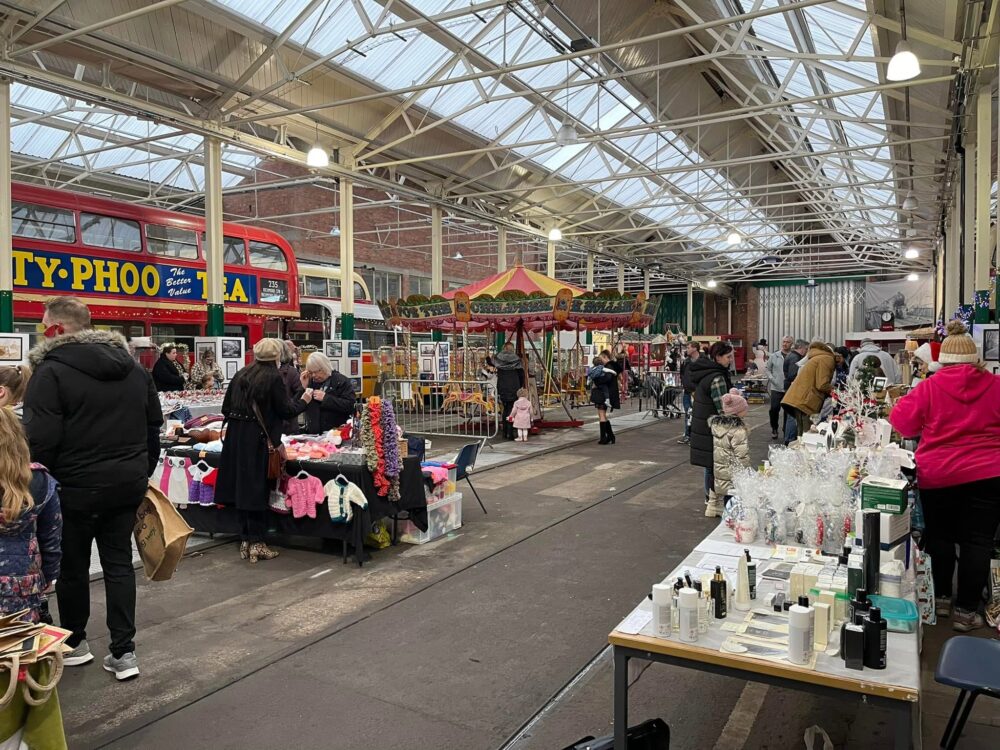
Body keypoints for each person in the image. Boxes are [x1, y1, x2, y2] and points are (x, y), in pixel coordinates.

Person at [23, 296, 162, 680]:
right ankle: (124, 652)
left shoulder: (49, 374)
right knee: (119, 564)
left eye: (43, 326)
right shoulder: (135, 370)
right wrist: (141, 472)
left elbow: (41, 441)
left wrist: (43, 486)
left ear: (56, 329)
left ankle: (75, 643)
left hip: (72, 490)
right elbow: (154, 427)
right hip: (126, 485)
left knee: (73, 567)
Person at [889, 321, 1000, 632]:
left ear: (944, 359)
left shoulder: (929, 387)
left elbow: (903, 424)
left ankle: (940, 599)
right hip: (989, 474)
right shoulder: (996, 385)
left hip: (940, 475)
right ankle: (966, 612)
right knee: (978, 541)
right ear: (975, 358)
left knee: (940, 537)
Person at [216, 339, 313, 563]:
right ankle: (257, 543)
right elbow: (286, 411)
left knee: (242, 489)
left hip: (236, 440)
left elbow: (225, 408)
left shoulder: (242, 374)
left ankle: (245, 540)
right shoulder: (273, 378)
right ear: (277, 356)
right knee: (257, 491)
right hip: (257, 441)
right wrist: (304, 397)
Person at [689, 341, 734, 517]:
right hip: (713, 427)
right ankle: (715, 502)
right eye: (728, 356)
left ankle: (710, 500)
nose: (730, 360)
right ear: (718, 357)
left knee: (710, 465)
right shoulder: (717, 377)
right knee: (717, 466)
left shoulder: (705, 373)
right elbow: (723, 408)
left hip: (703, 424)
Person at [781, 340, 835, 441]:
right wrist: (837, 392)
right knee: (807, 434)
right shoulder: (827, 359)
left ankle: (797, 447)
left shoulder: (817, 357)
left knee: (801, 434)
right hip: (807, 401)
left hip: (799, 399)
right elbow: (822, 385)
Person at [710, 389, 750, 504]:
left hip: (721, 472)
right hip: (734, 474)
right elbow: (742, 456)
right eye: (744, 409)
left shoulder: (719, 427)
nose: (746, 411)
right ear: (737, 411)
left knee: (728, 500)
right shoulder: (738, 431)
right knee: (735, 502)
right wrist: (746, 473)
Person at [301, 352, 356, 433]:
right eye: (310, 372)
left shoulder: (341, 381)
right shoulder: (310, 382)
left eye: (316, 372)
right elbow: (299, 407)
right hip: (314, 434)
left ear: (324, 367)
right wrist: (304, 388)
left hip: (336, 433)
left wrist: (325, 398)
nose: (313, 375)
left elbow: (350, 406)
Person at [494, 343, 525, 440]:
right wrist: (520, 385)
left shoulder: (498, 359)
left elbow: (492, 363)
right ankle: (510, 432)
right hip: (514, 386)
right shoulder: (517, 359)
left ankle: (504, 432)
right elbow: (521, 374)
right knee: (512, 410)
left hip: (502, 386)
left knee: (505, 409)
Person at [781, 339, 809, 443]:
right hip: (792, 389)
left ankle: (788, 437)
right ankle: (789, 439)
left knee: (790, 415)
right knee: (792, 416)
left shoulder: (791, 356)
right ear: (801, 348)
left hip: (789, 387)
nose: (806, 351)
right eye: (806, 349)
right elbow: (792, 375)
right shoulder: (795, 358)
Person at [765, 336, 792, 440]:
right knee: (774, 409)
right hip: (776, 388)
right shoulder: (774, 356)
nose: (785, 344)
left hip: (789, 388)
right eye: (784, 341)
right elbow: (767, 369)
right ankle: (774, 428)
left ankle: (786, 430)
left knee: (788, 411)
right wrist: (773, 379)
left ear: (791, 344)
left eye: (787, 342)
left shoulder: (793, 356)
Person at [589, 356, 617, 445]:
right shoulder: (606, 368)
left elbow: (604, 380)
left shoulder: (604, 369)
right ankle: (610, 436)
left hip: (601, 395)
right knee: (603, 415)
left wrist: (596, 381)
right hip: (605, 394)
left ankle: (604, 438)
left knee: (601, 415)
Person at [677, 341, 701, 445]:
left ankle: (696, 437)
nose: (686, 349)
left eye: (688, 347)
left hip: (697, 393)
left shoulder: (702, 361)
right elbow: (682, 374)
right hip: (687, 392)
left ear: (695, 348)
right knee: (688, 414)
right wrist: (685, 384)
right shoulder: (686, 361)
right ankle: (687, 435)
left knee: (697, 415)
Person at [278, 341, 304, 435]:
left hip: (286, 425)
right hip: (287, 425)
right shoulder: (291, 372)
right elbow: (299, 395)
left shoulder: (291, 372)